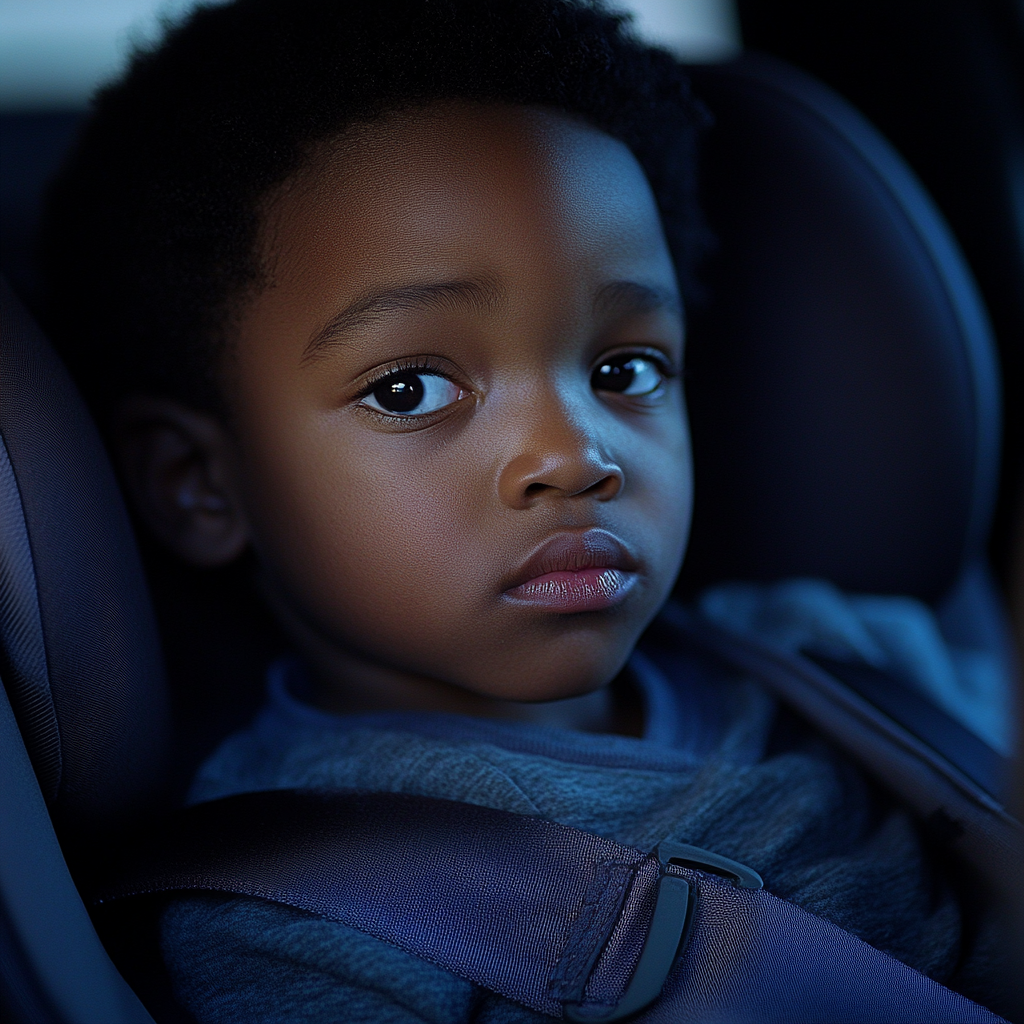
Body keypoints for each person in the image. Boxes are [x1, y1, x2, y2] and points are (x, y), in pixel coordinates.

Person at [38, 0, 1008, 1020]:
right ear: (201, 481)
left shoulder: (841, 666)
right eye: (410, 389)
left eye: (626, 367)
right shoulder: (293, 925)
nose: (573, 456)